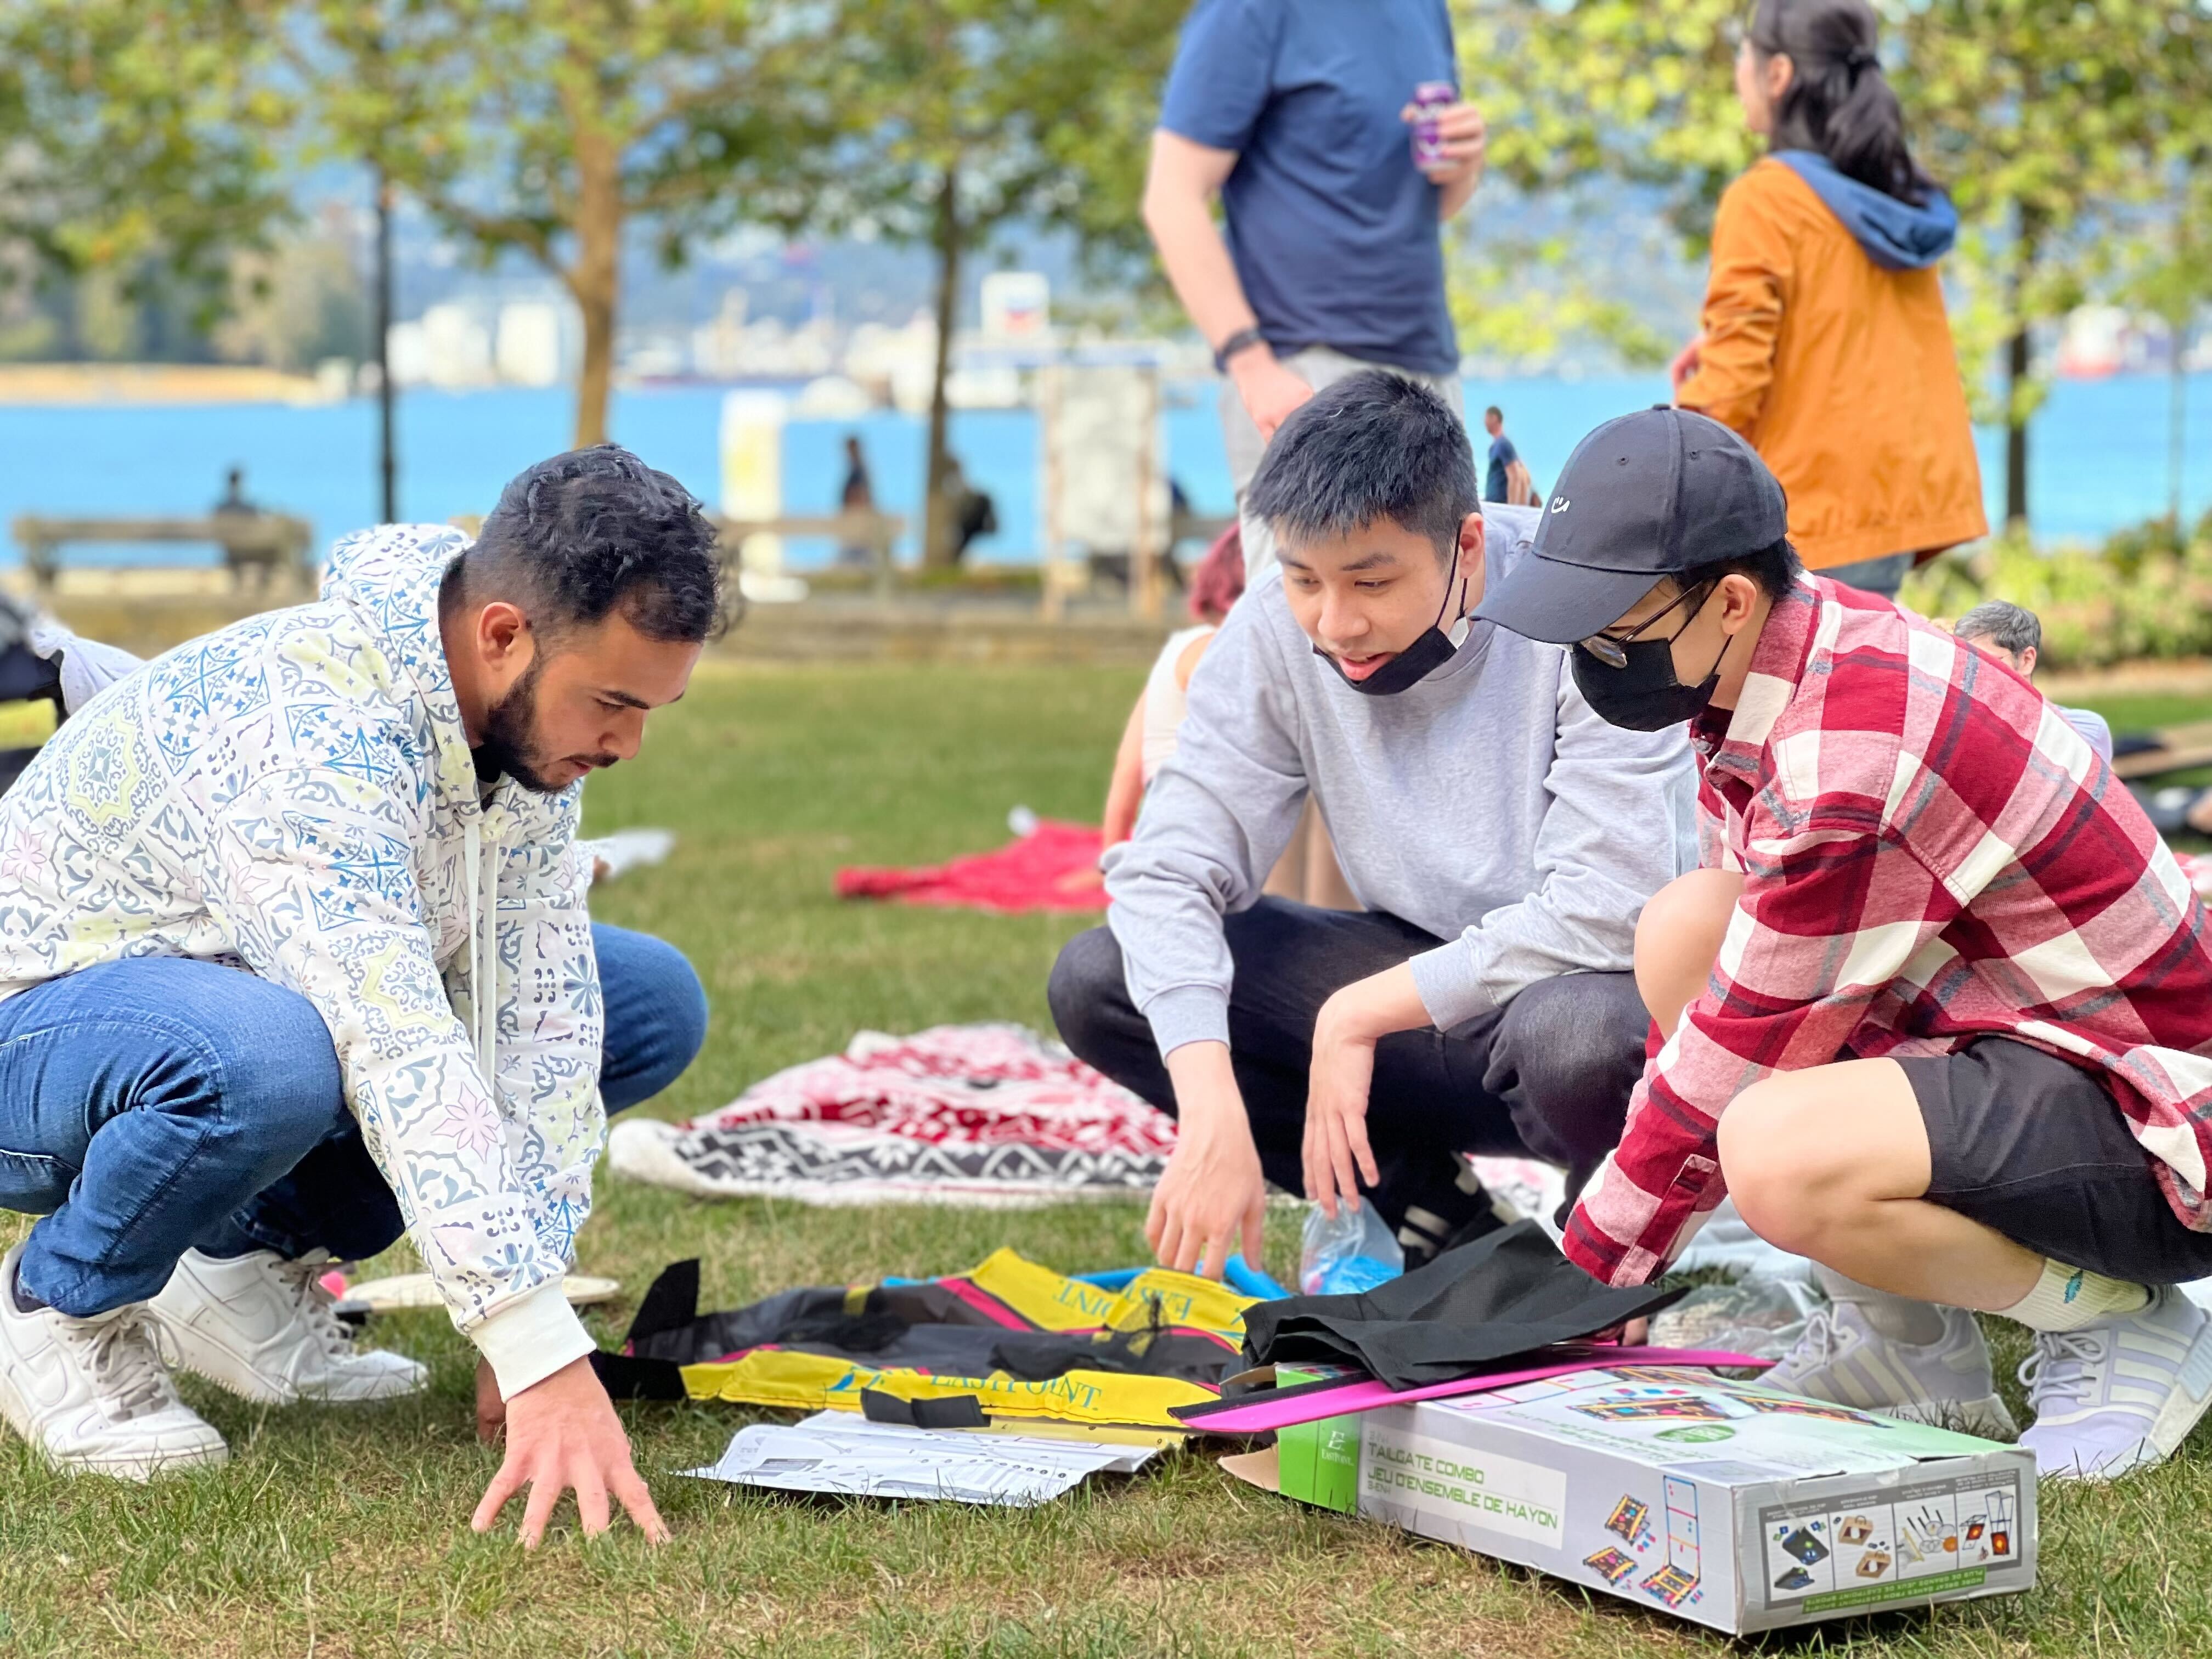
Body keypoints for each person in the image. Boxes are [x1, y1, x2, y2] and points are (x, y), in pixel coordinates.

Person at [1475, 405, 2212, 1481]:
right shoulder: (1783, 656)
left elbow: (1739, 1055)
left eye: (1612, 627)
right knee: (1689, 925)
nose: (1595, 657)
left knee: (1771, 1148)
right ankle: (1908, 1350)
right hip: (2020, 1041)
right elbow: (1750, 978)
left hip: (2151, 1122)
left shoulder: (1849, 753)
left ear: (1728, 599)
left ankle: (2119, 1321)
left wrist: (1582, 1283)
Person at [0, 444, 716, 1541]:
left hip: (223, 999)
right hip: (36, 1031)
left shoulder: (513, 729)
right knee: (275, 1057)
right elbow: (392, 1041)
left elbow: (540, 1017)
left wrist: (524, 1304)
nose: (626, 743)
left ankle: (238, 1270)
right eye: (613, 701)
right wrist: (529, 1342)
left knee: (643, 997)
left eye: (649, 709)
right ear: (503, 636)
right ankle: (61, 1310)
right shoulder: (312, 733)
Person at [1050, 373, 1698, 1279]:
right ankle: (1433, 1215)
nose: (1336, 622)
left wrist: (1356, 1014)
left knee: (1579, 1036)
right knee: (1101, 974)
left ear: (1466, 542)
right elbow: (1166, 869)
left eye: (1372, 580)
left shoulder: (1583, 613)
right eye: (1305, 578)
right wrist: (1210, 1107)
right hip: (1425, 991)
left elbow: (1608, 907)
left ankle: (1609, 1242)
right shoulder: (1280, 623)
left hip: (1590, 1001)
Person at [1143, 0, 1486, 584]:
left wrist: (1464, 165)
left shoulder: (1426, 9)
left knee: (1446, 632)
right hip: (1306, 373)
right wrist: (1252, 367)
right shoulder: (1249, 11)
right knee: (1307, 651)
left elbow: (1431, 208)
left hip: (1427, 367)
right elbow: (1171, 197)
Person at [1669, 0, 1985, 599]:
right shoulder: (1893, 201)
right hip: (1890, 519)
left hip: (1802, 521)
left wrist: (1665, 468)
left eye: (1744, 51)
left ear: (1779, 73)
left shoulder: (1766, 199)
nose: (1738, 68)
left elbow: (1733, 388)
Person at [1102, 524, 1246, 850]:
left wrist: (1109, 855)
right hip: (1195, 826)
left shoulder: (1179, 648)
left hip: (1158, 820)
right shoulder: (1218, 651)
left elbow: (1129, 763)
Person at [1951, 599, 2114, 763]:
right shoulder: (1956, 735)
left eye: (1988, 663)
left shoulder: (2085, 732)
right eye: (1967, 663)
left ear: (2027, 661)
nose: (1975, 674)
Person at [835, 433, 875, 568]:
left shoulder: (859, 470)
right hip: (855, 520)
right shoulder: (858, 469)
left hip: (857, 520)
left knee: (855, 558)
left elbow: (860, 495)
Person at [1482, 407, 1534, 506]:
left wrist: (1512, 509)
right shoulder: (1494, 447)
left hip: (1502, 508)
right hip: (1494, 506)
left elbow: (1516, 477)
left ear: (1494, 418)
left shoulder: (1503, 444)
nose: (1484, 422)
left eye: (1486, 418)